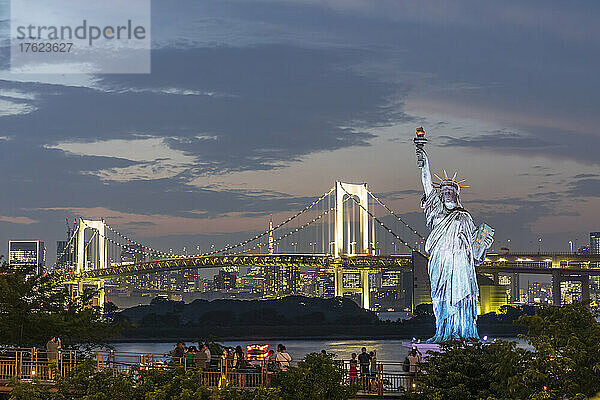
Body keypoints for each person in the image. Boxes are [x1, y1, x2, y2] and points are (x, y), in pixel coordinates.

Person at [416, 145, 494, 342]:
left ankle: (463, 332)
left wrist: (484, 240)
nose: (447, 192)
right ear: (439, 195)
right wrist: (423, 159)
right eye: (443, 190)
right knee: (441, 298)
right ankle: (443, 331)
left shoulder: (464, 216)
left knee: (463, 298)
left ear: (457, 194)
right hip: (441, 261)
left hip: (460, 263)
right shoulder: (436, 211)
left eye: (451, 190)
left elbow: (476, 251)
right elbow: (426, 182)